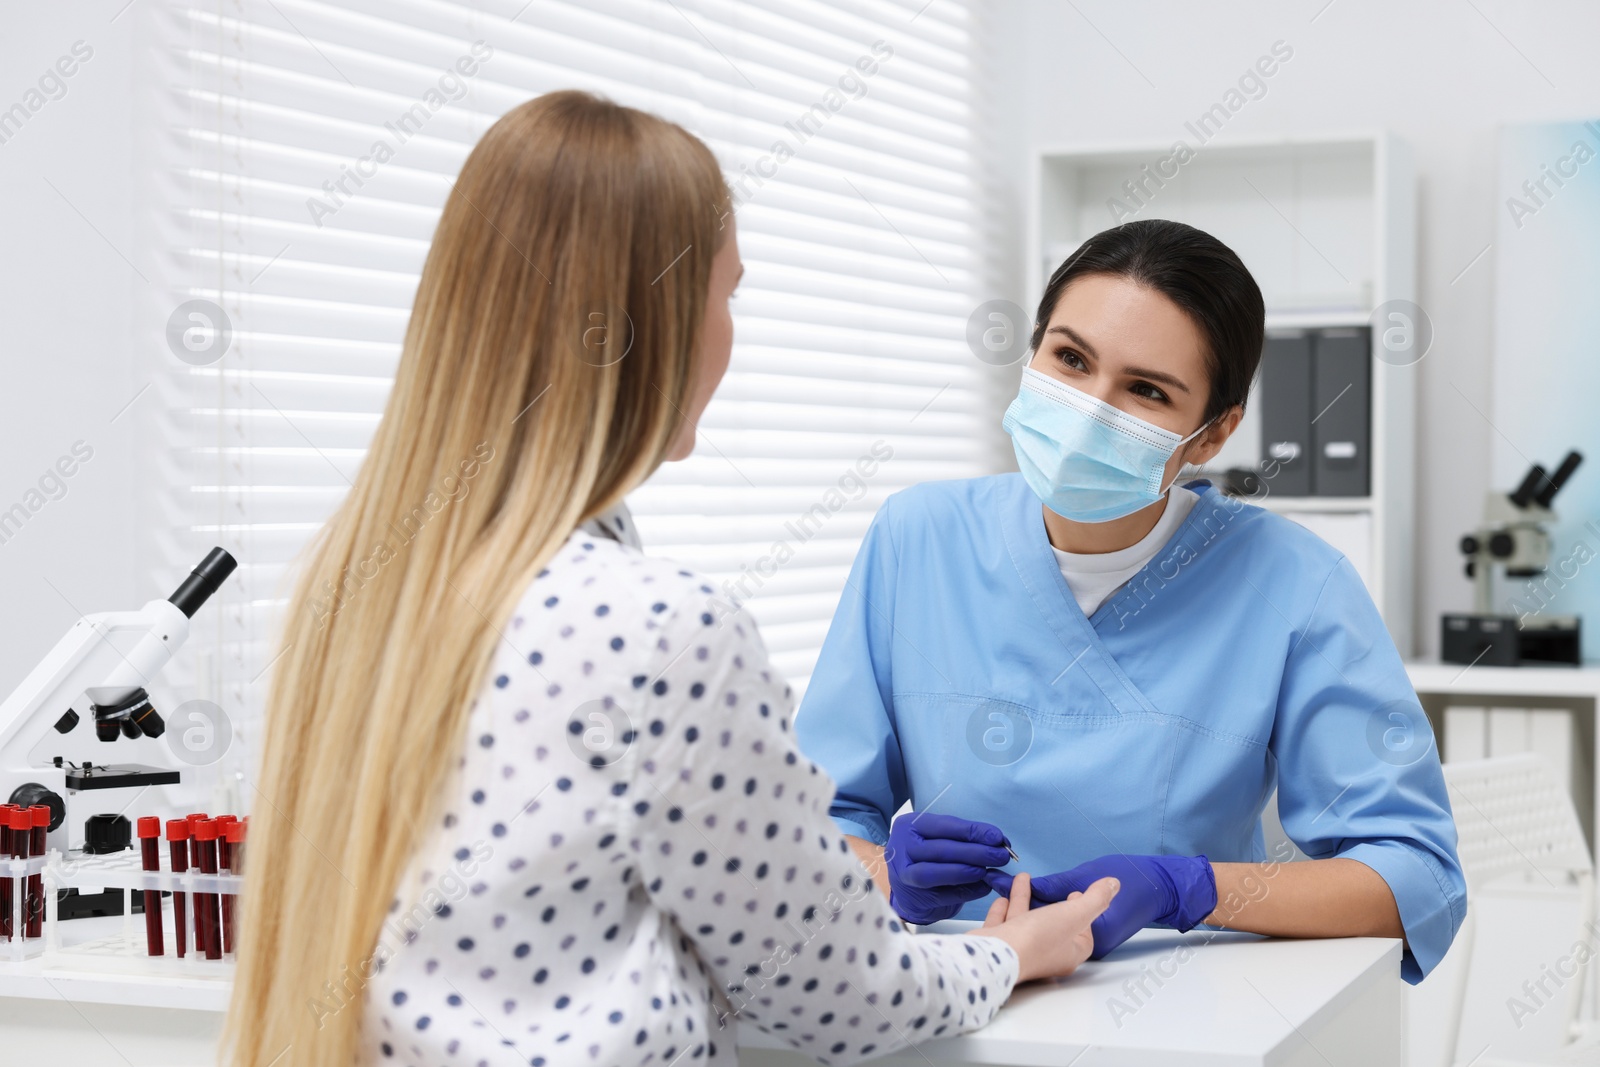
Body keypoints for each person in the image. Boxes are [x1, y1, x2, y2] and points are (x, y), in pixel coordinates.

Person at [224, 91, 1120, 1067]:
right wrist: (1005, 951)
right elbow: (840, 996)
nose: (728, 334)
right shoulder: (660, 629)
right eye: (726, 294)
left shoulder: (352, 595)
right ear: (645, 324)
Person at [795, 219, 1467, 985]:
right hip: (949, 995)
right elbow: (812, 825)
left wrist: (1194, 888)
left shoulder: (1295, 584)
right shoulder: (917, 539)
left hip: (1177, 1009)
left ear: (1212, 434)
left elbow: (1414, 877)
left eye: (1146, 390)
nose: (1088, 410)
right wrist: (889, 875)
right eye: (1071, 359)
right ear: (1033, 350)